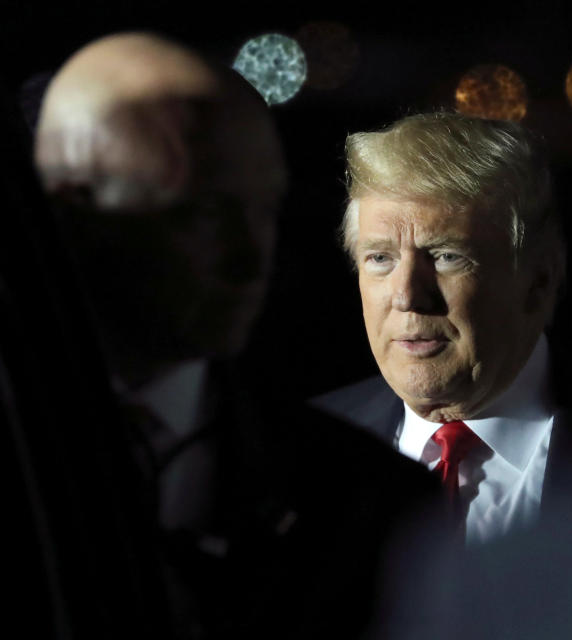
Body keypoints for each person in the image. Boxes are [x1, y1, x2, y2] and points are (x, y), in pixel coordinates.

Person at [34, 32, 438, 639]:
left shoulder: (374, 508)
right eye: (202, 215)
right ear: (69, 214)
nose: (252, 262)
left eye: (264, 210)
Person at [312, 112, 572, 545]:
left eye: (446, 256)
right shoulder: (298, 452)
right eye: (380, 258)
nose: (407, 296)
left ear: (538, 280)